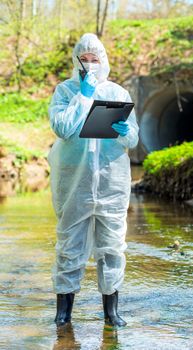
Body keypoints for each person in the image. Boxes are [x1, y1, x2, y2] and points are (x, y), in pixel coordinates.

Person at [47, 33, 139, 327]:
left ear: (104, 61)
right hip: (74, 182)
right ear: (77, 62)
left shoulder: (118, 93)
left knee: (112, 246)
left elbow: (134, 140)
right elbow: (62, 127)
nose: (89, 65)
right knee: (69, 245)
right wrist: (84, 95)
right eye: (84, 60)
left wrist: (125, 130)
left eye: (94, 60)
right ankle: (64, 312)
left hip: (112, 183)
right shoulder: (65, 91)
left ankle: (111, 311)